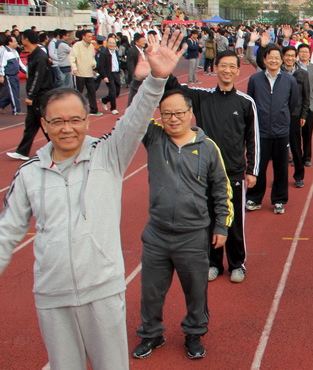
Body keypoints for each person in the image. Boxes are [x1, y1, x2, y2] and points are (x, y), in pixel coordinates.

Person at [0, 28, 185, 369]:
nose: (66, 128)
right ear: (44, 125)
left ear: (87, 121)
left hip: (102, 291)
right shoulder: (28, 174)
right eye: (57, 121)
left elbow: (134, 121)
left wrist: (155, 81)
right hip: (52, 297)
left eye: (74, 120)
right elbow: (7, 232)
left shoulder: (108, 155)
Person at [132, 89, 232, 360]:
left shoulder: (208, 147)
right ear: (160, 117)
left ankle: (194, 333)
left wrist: (221, 226)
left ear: (190, 114)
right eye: (166, 114)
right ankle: (151, 333)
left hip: (193, 235)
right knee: (151, 291)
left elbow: (221, 190)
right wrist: (143, 80)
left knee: (196, 291)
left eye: (179, 113)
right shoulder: (154, 138)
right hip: (157, 234)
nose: (173, 119)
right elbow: (136, 113)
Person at [165, 50, 259, 284]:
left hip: (234, 173)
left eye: (232, 66)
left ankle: (238, 264)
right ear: (215, 68)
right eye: (223, 65)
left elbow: (253, 137)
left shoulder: (245, 103)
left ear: (238, 71)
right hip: (204, 172)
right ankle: (214, 263)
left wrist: (252, 170)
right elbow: (174, 89)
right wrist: (165, 69)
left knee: (234, 222)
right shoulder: (201, 97)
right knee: (208, 219)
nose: (227, 70)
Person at [246, 45, 299, 214]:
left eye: (277, 57)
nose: (274, 60)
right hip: (260, 132)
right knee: (258, 168)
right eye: (270, 57)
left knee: (281, 168)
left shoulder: (290, 81)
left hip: (281, 131)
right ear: (264, 60)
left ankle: (279, 199)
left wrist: (282, 119)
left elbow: (292, 103)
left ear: (281, 60)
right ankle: (254, 198)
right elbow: (251, 103)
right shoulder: (255, 80)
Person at [7, 30, 54, 161]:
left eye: (22, 38)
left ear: (26, 39)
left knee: (44, 124)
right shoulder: (34, 55)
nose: (21, 40)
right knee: (31, 124)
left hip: (40, 96)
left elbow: (38, 78)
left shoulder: (39, 57)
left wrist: (31, 96)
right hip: (37, 95)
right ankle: (22, 151)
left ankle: (57, 147)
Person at [281, 46, 311, 188]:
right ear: (283, 57)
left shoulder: (302, 74)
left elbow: (306, 97)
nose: (290, 58)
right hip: (279, 114)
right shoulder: (278, 73)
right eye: (287, 55)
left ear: (296, 57)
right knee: (279, 149)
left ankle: (299, 175)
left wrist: (303, 114)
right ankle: (279, 178)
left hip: (295, 114)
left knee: (295, 146)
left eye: (293, 55)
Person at [297, 43, 313, 168]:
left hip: (310, 105)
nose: (303, 54)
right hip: (295, 104)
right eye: (301, 51)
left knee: (307, 132)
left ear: (309, 54)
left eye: (306, 52)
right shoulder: (293, 67)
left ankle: (306, 157)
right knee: (294, 133)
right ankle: (295, 155)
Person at [69, 30, 101, 115]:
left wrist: (94, 64)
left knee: (92, 91)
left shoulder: (91, 46)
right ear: (83, 37)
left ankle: (94, 109)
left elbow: (92, 57)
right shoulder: (77, 45)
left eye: (91, 36)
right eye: (89, 36)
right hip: (79, 73)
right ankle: (77, 109)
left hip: (89, 72)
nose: (90, 38)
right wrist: (74, 68)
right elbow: (72, 57)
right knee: (79, 92)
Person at [0, 35, 27, 115]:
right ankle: (16, 110)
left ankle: (1, 105)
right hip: (9, 76)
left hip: (15, 75)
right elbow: (1, 64)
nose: (16, 43)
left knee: (13, 93)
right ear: (9, 42)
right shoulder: (5, 52)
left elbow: (20, 64)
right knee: (13, 93)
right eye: (14, 41)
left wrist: (27, 72)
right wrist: (1, 75)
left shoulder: (15, 52)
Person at [97, 37, 122, 114]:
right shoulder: (104, 53)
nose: (111, 45)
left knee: (117, 91)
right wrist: (104, 76)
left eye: (113, 43)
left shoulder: (116, 52)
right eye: (110, 43)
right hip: (109, 74)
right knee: (113, 92)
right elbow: (100, 66)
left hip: (116, 73)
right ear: (107, 43)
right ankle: (113, 108)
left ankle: (104, 100)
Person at [127, 33, 146, 106]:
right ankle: (129, 112)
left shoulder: (143, 51)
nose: (144, 42)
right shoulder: (132, 51)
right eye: (142, 41)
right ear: (137, 42)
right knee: (134, 96)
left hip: (144, 76)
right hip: (137, 77)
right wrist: (134, 76)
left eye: (144, 40)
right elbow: (130, 65)